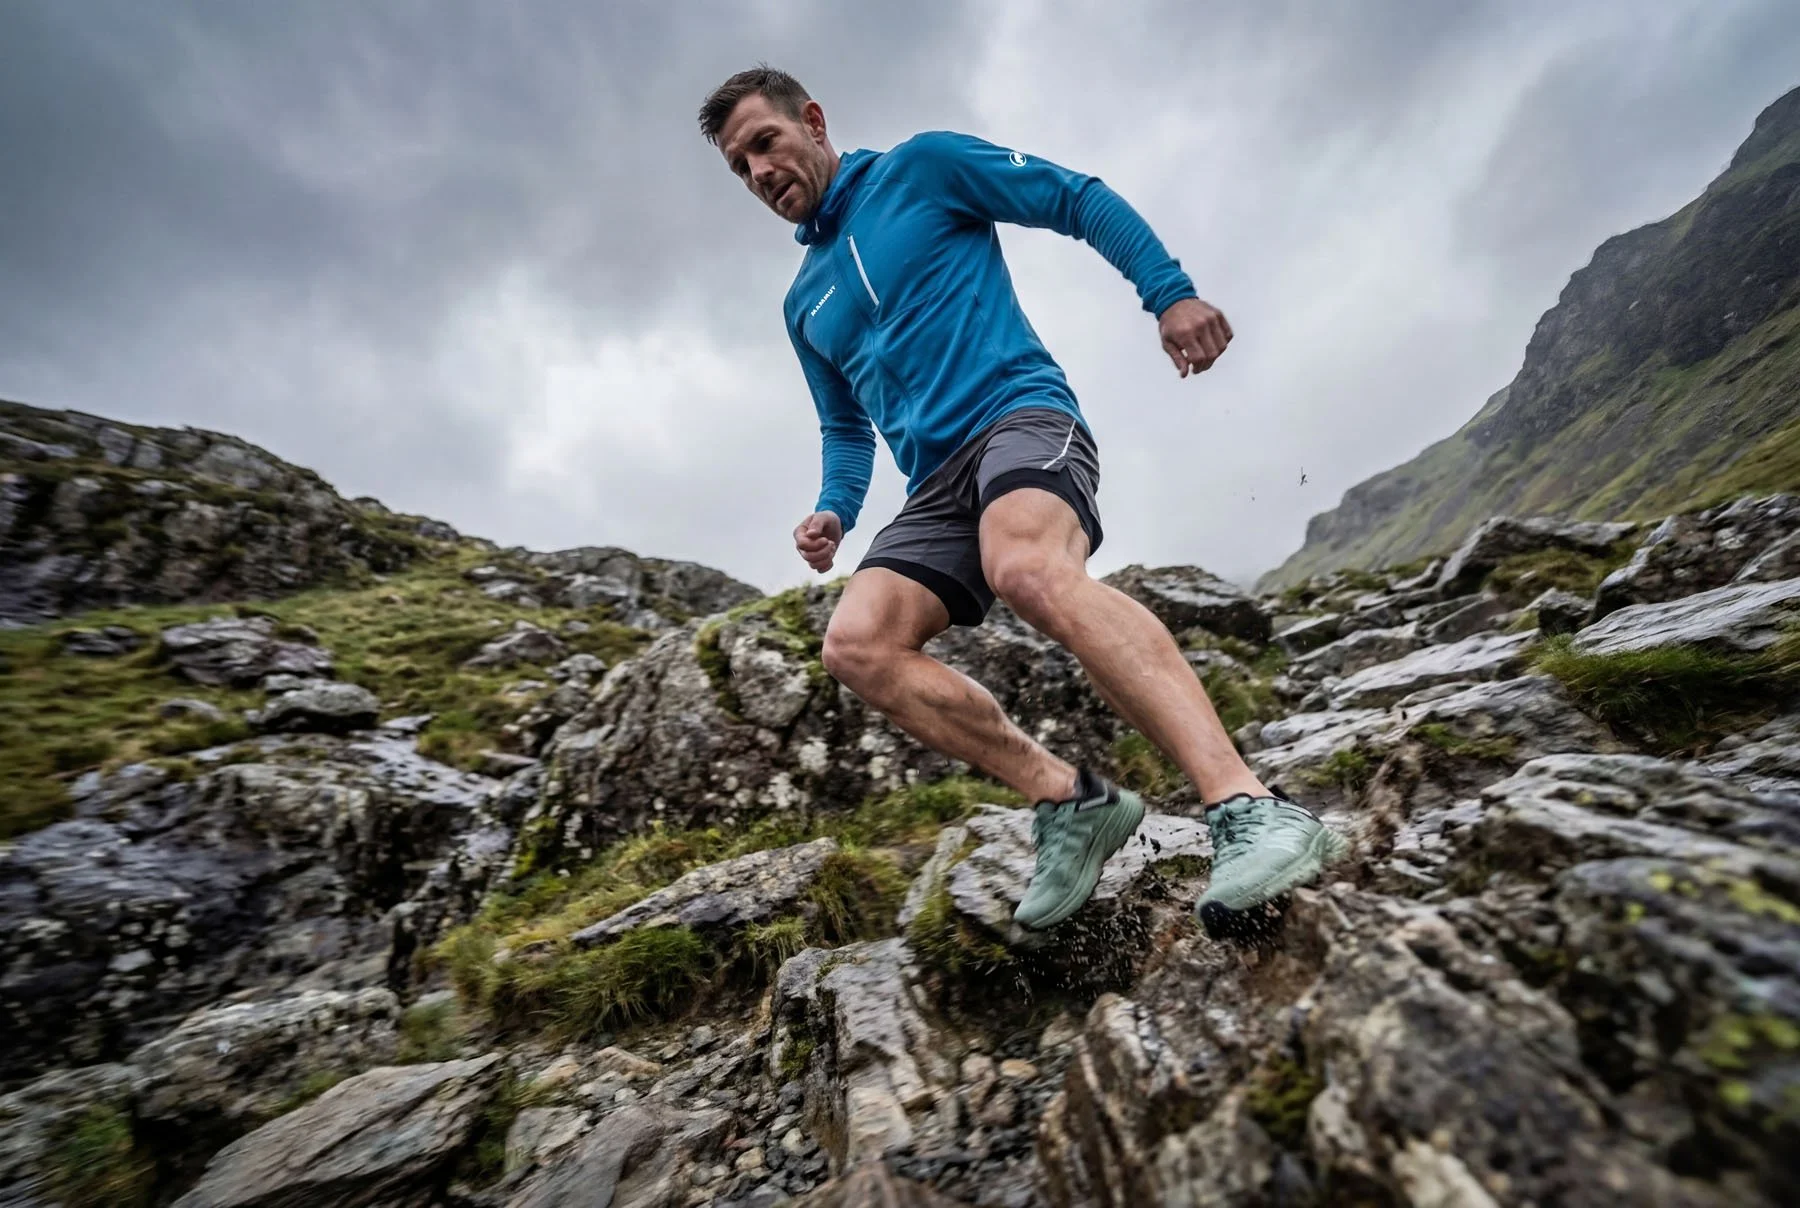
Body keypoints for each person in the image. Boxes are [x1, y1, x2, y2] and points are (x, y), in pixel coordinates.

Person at [698, 66, 1346, 937]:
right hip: (935, 486)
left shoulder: (922, 168)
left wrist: (1170, 294)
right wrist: (835, 511)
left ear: (812, 121)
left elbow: (1071, 196)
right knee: (855, 645)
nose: (760, 172)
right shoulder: (803, 302)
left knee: (1027, 569)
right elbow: (846, 430)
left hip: (1020, 418)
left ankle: (1250, 806)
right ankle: (1071, 801)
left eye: (765, 143)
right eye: (741, 167)